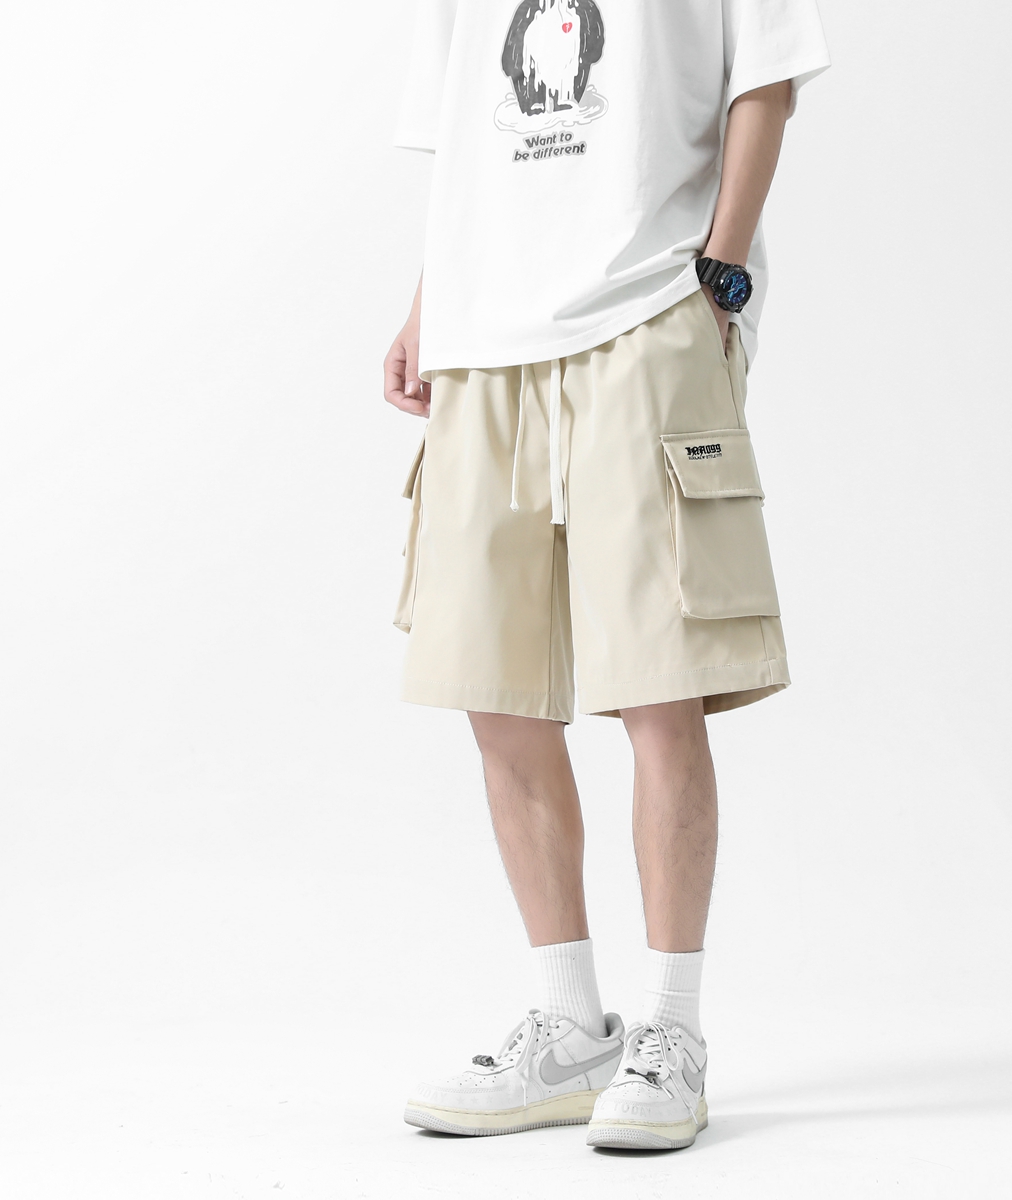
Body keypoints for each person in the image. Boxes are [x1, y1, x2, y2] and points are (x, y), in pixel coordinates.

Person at [384, 0, 829, 1152]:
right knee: (493, 691)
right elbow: (464, 135)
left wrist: (720, 277)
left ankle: (673, 1032)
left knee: (657, 686)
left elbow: (768, 76)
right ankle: (570, 1027)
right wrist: (430, 303)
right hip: (484, 335)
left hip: (646, 308)